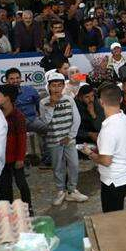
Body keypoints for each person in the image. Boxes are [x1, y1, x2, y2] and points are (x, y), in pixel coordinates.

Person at [81, 83, 126, 213]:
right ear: (121, 99)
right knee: (118, 211)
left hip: (114, 181)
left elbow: (106, 161)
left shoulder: (108, 129)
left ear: (101, 102)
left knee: (111, 217)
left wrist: (90, 153)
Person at [39, 71, 88, 206]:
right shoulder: (43, 102)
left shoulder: (69, 99)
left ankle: (72, 190)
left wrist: (70, 136)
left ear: (63, 86)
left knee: (74, 164)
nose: (56, 89)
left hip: (69, 139)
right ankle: (60, 191)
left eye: (59, 85)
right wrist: (51, 106)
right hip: (54, 140)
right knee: (58, 167)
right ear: (49, 87)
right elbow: (45, 122)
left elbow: (76, 119)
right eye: (53, 86)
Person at [0, 85, 32, 212]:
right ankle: (7, 210)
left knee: (21, 184)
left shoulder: (18, 116)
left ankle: (28, 208)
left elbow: (22, 139)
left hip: (15, 157)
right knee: (4, 186)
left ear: (7, 98)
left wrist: (20, 158)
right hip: (1, 159)